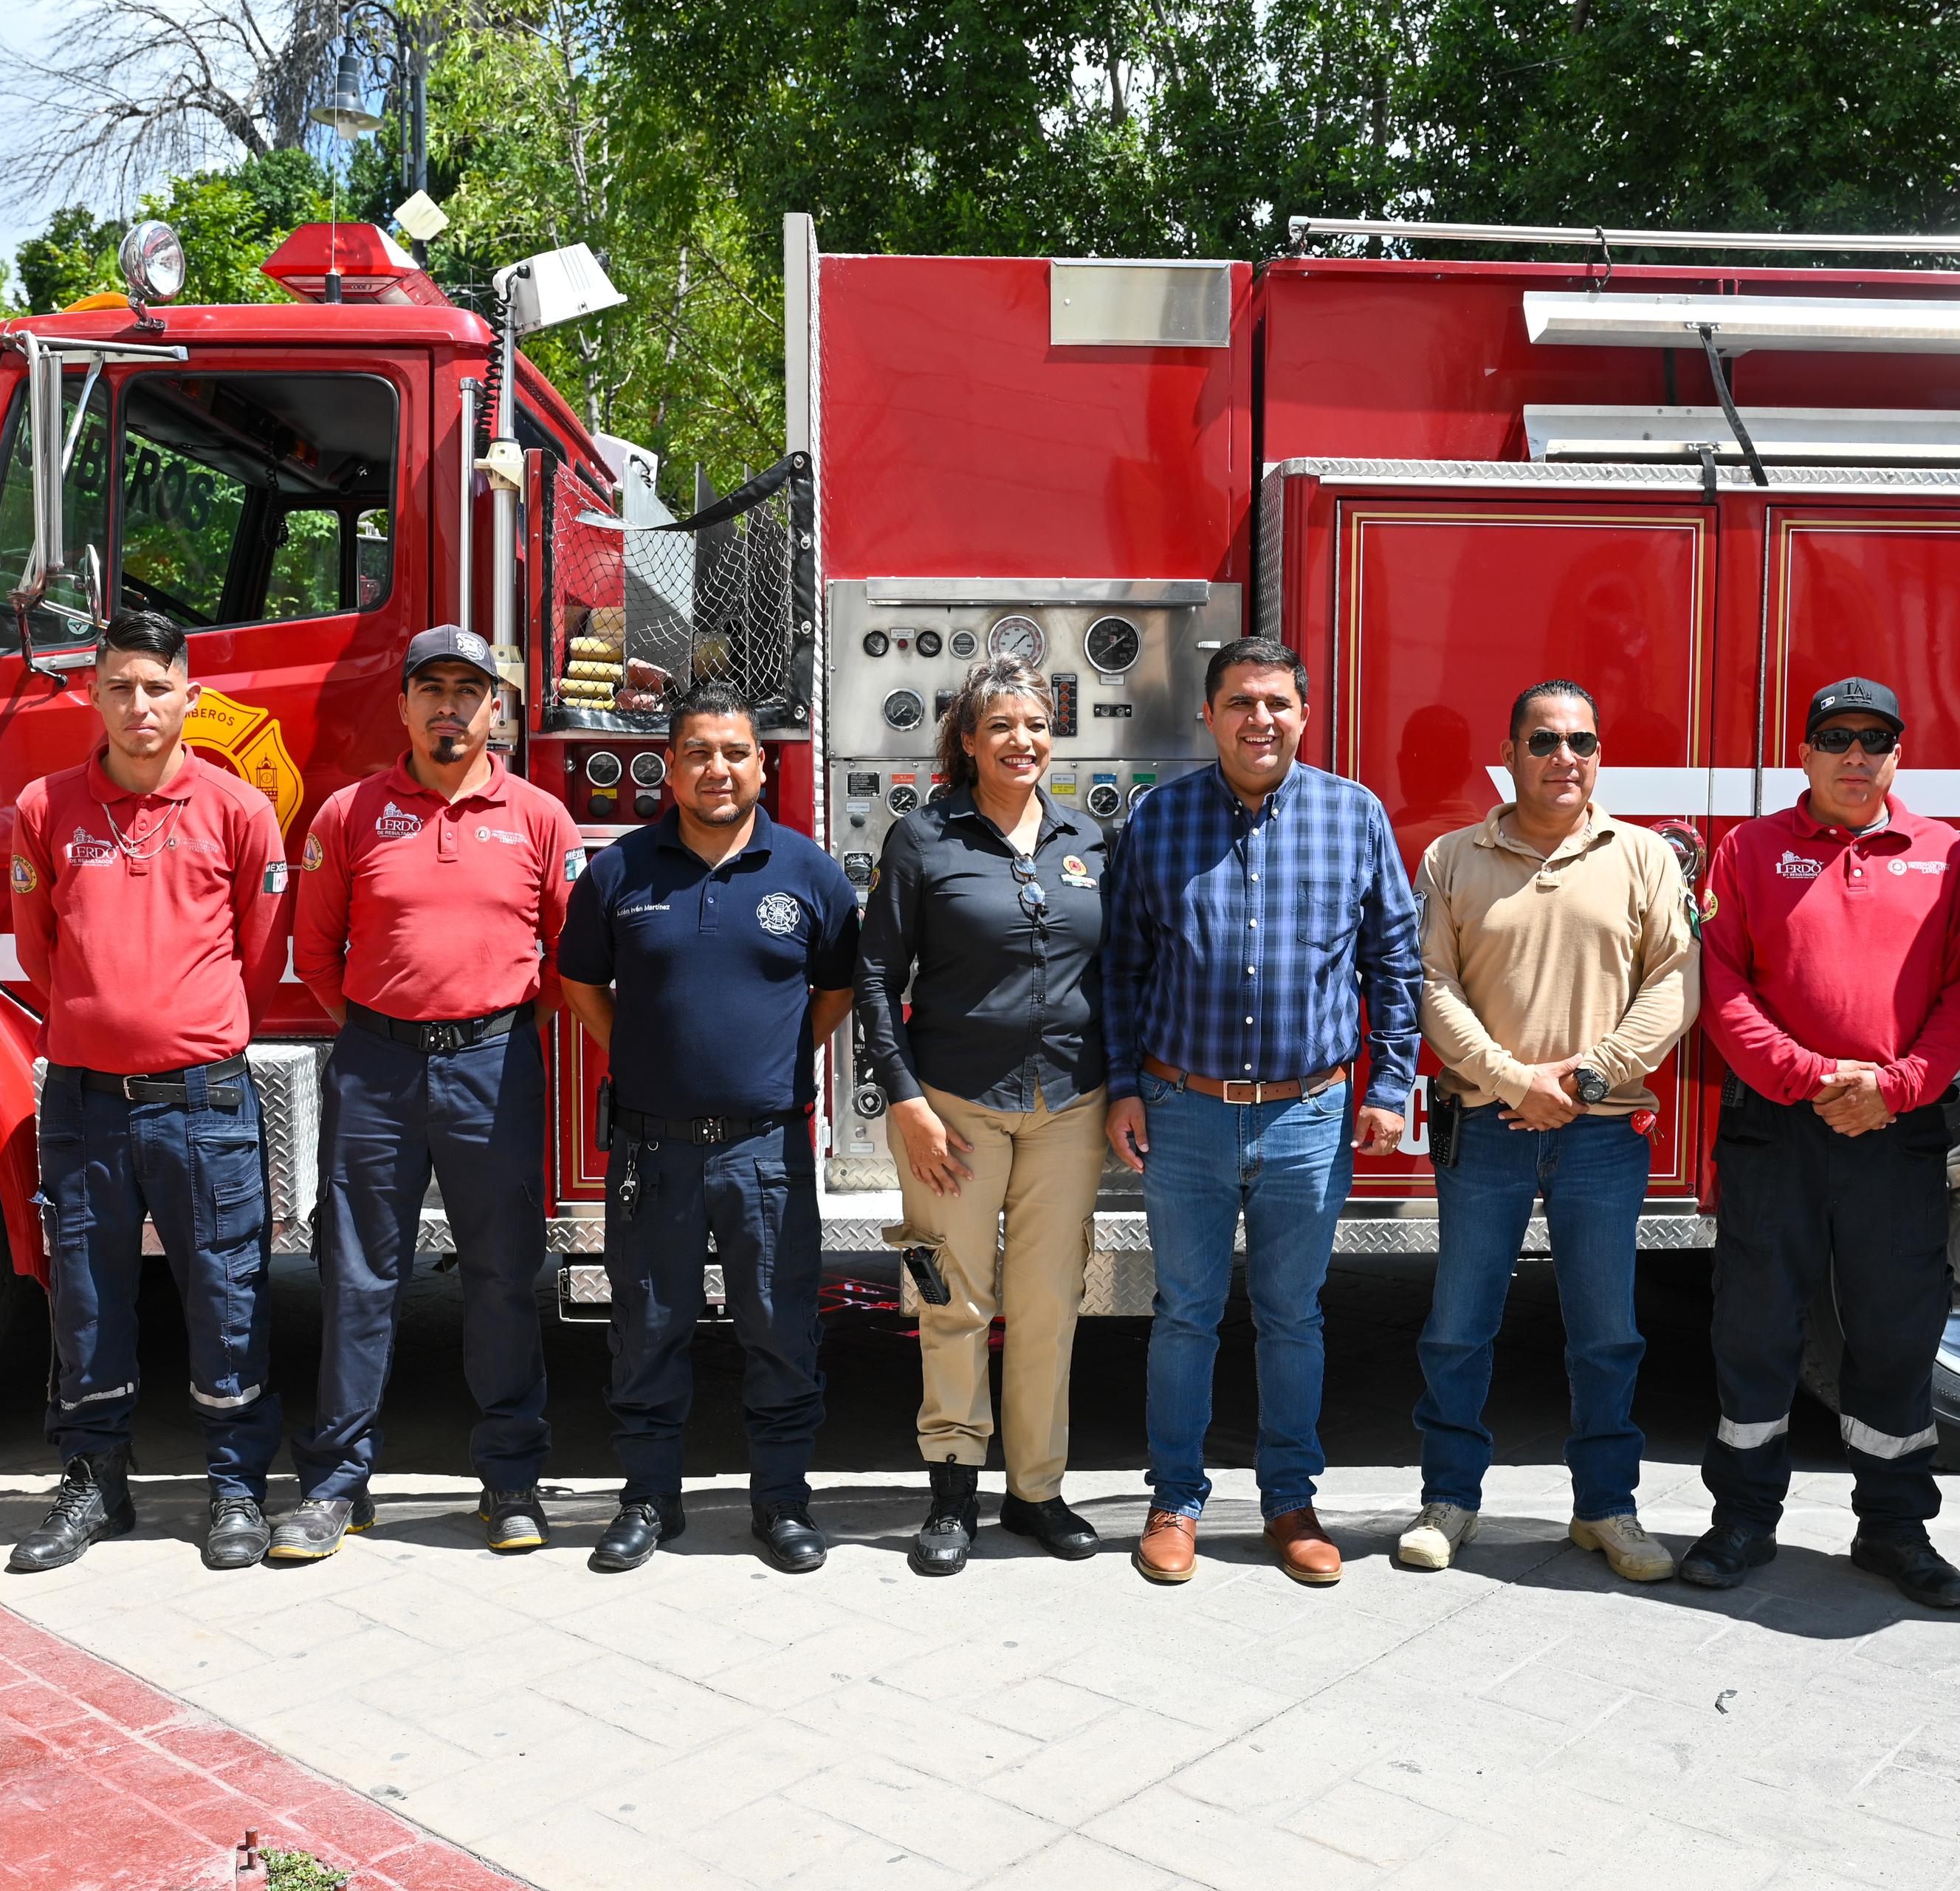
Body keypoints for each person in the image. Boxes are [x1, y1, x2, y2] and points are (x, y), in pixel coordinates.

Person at [1103, 635, 1420, 1587]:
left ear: (1303, 714)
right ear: (1208, 714)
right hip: (1182, 1111)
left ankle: (1289, 1501)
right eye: (1240, 702)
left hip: (1307, 1119)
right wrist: (1123, 1083)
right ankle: (1174, 1501)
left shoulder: (1352, 816)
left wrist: (1392, 1087)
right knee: (1184, 1315)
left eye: (1277, 703)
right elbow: (1120, 968)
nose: (1259, 720)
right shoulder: (1157, 823)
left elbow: (1394, 965)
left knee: (1293, 1318)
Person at [1681, 677, 1960, 1606]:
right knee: (1755, 1326)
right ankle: (1741, 1518)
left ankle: (1893, 1528)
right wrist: (1808, 1079)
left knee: (1896, 1330)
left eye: (1875, 739)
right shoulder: (1748, 850)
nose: (1856, 756)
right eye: (1835, 738)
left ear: (1898, 754)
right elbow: (1721, 983)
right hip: (1776, 1127)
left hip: (1893, 1132)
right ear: (1804, 753)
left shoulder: (1943, 854)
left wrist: (1892, 1088)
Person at [277, 624, 578, 1562]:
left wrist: (486, 1029)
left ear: (498, 708)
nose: (450, 706)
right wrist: (385, 1027)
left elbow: (570, 960)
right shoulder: (348, 815)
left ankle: (511, 1483)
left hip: (494, 1069)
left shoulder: (538, 818)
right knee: (359, 1275)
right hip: (375, 1067)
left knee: (500, 1277)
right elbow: (316, 954)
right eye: (431, 688)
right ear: (402, 704)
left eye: (468, 690)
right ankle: (336, 1488)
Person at [6, 608, 286, 1575]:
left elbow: (260, 943)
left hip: (201, 1099)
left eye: (157, 686)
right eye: (120, 686)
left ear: (190, 698)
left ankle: (237, 1484)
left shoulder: (238, 810)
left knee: (227, 1291)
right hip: (84, 1101)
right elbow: (40, 946)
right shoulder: (45, 808)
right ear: (94, 694)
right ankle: (94, 1482)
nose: (139, 705)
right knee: (86, 1294)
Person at [559, 685, 860, 1575]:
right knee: (647, 1330)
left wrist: (765, 1063)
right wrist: (646, 1054)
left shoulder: (808, 872)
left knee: (780, 1329)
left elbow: (835, 991)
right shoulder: (619, 871)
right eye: (698, 752)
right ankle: (649, 1501)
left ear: (762, 764)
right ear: (671, 763)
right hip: (652, 1150)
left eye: (734, 752)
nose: (717, 769)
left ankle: (780, 1505)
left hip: (765, 1149)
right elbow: (581, 983)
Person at [1399, 679, 1696, 1579]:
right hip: (1486, 1128)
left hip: (1601, 1135)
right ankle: (1448, 1502)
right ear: (1510, 753)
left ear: (1597, 755)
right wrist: (1512, 1080)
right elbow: (1429, 985)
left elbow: (1675, 982)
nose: (1563, 757)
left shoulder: (1643, 857)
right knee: (1458, 1326)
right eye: (1542, 742)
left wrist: (1591, 1075)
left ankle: (1606, 1509)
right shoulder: (1452, 858)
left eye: (1580, 741)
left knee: (1606, 1332)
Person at [853, 659, 1110, 1573]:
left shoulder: (1087, 837)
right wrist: (908, 1101)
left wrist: (1118, 1089)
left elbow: (1111, 975)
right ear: (966, 740)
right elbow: (876, 977)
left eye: (1036, 725)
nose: (1021, 742)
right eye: (999, 726)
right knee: (951, 1299)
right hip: (952, 1109)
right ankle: (952, 1488)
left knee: (1047, 1305)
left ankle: (1035, 1491)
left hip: (1067, 1108)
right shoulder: (922, 838)